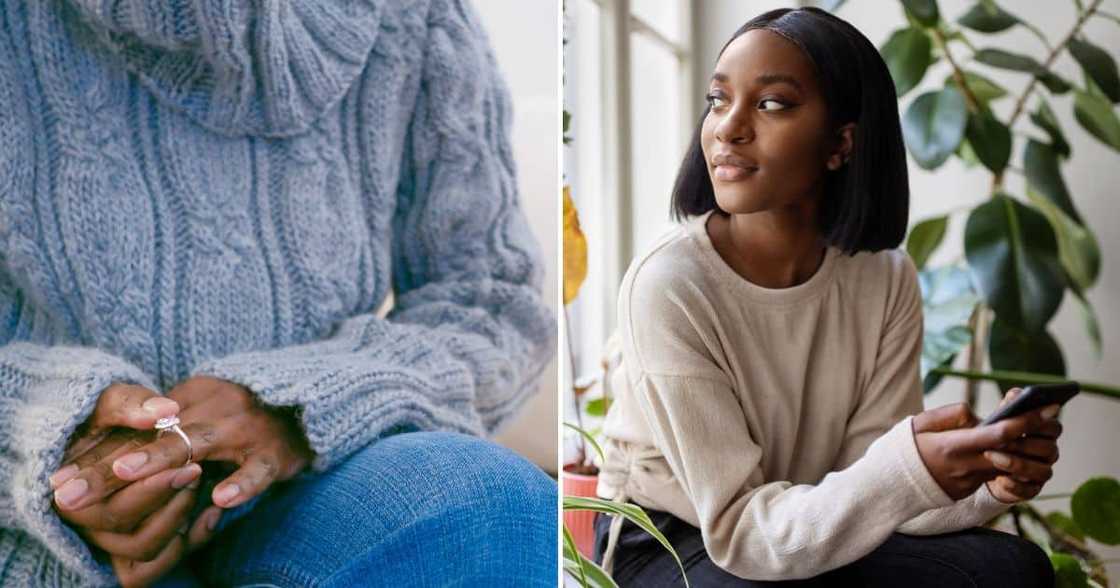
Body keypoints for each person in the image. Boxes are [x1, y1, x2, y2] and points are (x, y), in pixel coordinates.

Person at [0, 1, 557, 586]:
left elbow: (493, 301)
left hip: (317, 485)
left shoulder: (417, 16)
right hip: (34, 525)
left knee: (492, 511)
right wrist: (49, 435)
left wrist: (298, 403)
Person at [591, 7, 1059, 587]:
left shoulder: (885, 278)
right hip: (678, 537)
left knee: (1011, 569)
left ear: (841, 142)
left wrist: (988, 482)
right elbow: (740, 529)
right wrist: (902, 468)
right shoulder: (668, 284)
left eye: (770, 104)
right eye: (718, 99)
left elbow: (871, 489)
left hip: (806, 518)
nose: (727, 127)